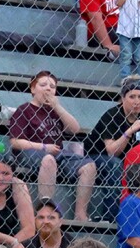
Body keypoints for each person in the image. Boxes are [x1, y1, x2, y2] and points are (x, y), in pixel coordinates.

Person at [6, 71, 98, 224]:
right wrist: (43, 147)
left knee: (89, 166)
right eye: (43, 85)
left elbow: (74, 129)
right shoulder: (24, 110)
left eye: (52, 87)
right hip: (31, 153)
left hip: (58, 155)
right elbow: (15, 142)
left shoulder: (55, 111)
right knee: (48, 159)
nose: (48, 89)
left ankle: (80, 214)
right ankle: (46, 210)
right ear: (33, 89)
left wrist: (58, 107)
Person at [86, 78, 140, 222]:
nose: (137, 101)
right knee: (115, 164)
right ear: (123, 99)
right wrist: (129, 131)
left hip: (129, 160)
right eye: (132, 97)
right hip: (97, 157)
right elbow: (111, 151)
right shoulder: (111, 116)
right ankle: (112, 216)